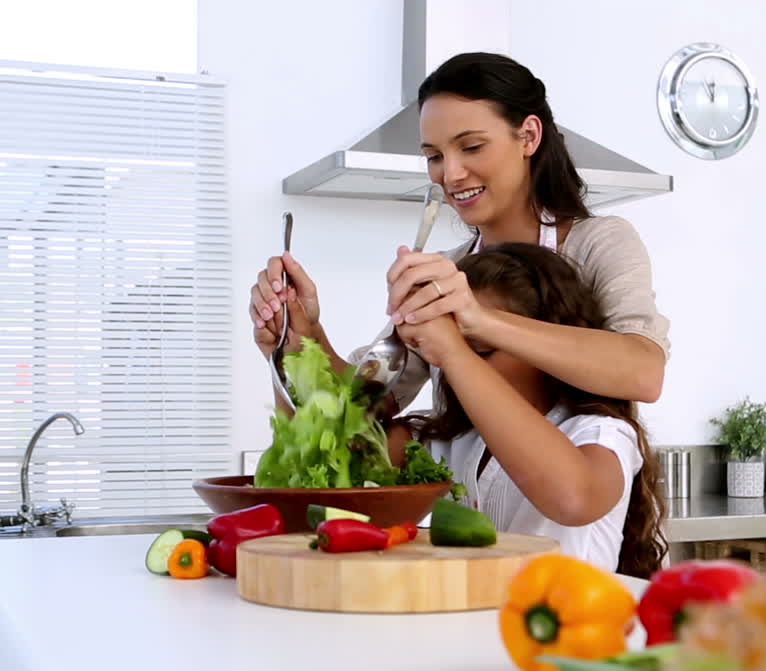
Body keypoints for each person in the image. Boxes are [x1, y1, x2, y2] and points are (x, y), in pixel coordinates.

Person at [250, 51, 670, 415]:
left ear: (528, 135)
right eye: (434, 156)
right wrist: (303, 338)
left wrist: (478, 319)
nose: (450, 174)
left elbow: (643, 372)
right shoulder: (449, 272)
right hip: (464, 505)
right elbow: (364, 407)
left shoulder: (599, 242)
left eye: (471, 147)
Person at [389, 244, 665, 576]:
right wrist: (310, 336)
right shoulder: (453, 437)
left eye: (480, 349)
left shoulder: (596, 433)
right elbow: (350, 441)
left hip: (573, 625)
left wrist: (452, 351)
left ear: (540, 348)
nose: (457, 373)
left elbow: (574, 499)